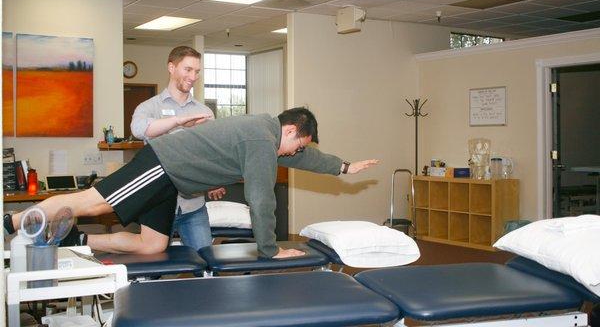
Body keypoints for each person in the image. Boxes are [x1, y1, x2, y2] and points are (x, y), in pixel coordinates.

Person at [5, 108, 378, 258]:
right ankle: (16, 220)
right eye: (298, 143)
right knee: (93, 202)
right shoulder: (261, 141)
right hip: (162, 165)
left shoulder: (269, 134)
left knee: (152, 245)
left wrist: (343, 167)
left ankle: (78, 239)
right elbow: (262, 199)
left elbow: (304, 156)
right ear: (291, 129)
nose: (295, 152)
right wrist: (271, 250)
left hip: (173, 180)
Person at [130, 45, 224, 251]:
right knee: (152, 267)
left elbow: (210, 154)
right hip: (159, 204)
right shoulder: (149, 107)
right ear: (171, 67)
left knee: (206, 262)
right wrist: (178, 121)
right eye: (188, 69)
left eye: (197, 71)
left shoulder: (204, 112)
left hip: (194, 206)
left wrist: (213, 181)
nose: (193, 76)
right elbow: (139, 130)